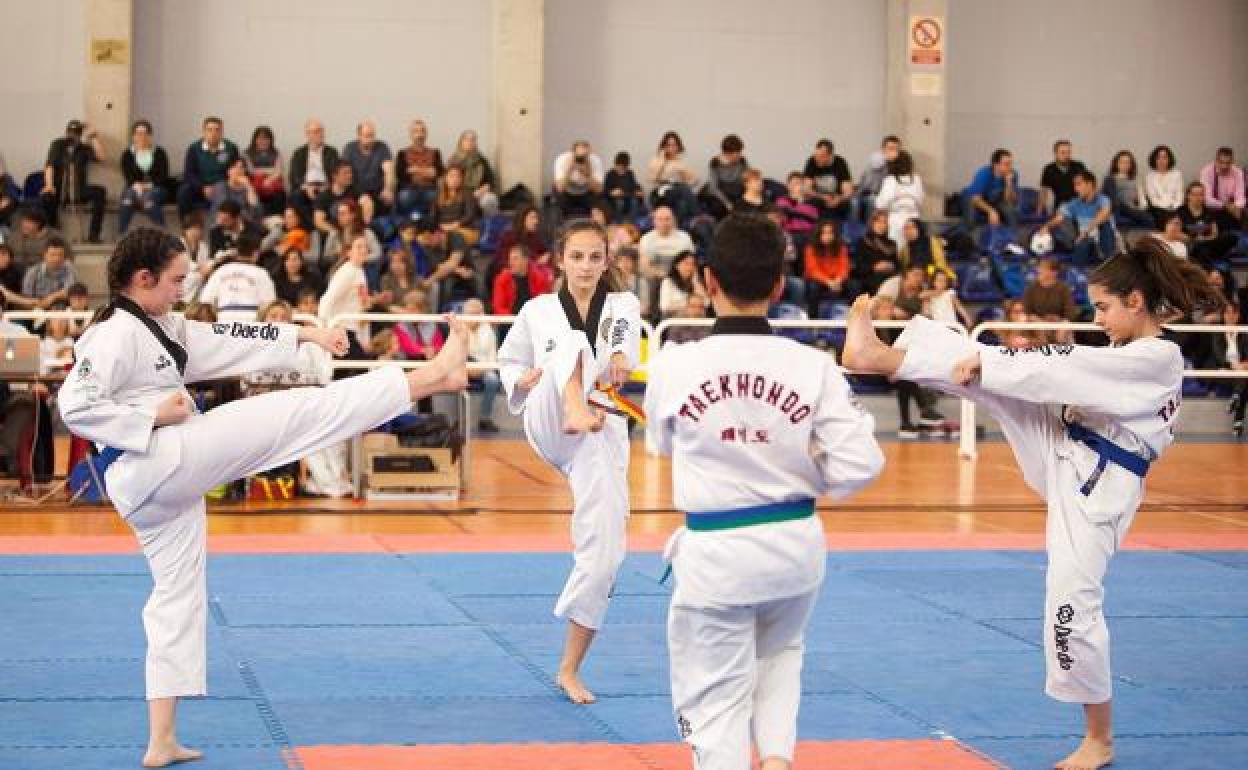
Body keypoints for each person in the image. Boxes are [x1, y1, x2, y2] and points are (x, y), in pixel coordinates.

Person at [57, 227, 470, 768]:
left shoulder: (164, 325)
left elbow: (232, 337)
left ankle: (161, 739)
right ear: (143, 278)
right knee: (297, 414)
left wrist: (306, 336)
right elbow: (75, 406)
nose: (185, 288)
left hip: (156, 484)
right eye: (177, 279)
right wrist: (151, 415)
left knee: (178, 598)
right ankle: (434, 374)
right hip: (153, 461)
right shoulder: (114, 332)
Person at [841, 238, 1221, 770]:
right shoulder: (1125, 354)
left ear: (1135, 301)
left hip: (1097, 489)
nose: (1097, 317)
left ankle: (1099, 739)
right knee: (993, 381)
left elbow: (1063, 367)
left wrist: (991, 363)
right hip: (1069, 447)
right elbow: (1061, 372)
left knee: (1070, 606)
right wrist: (990, 368)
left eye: (1104, 307)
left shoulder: (1158, 358)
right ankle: (879, 357)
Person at [645, 213, 883, 770]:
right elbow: (863, 462)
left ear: (708, 281)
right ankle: (776, 760)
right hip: (795, 544)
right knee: (780, 658)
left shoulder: (676, 366)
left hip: (716, 554)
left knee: (718, 697)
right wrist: (803, 474)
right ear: (780, 285)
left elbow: (660, 445)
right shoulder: (812, 366)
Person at [497, 219, 641, 705]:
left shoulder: (622, 304)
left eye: (594, 257)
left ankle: (569, 668)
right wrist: (523, 380)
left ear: (606, 261)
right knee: (573, 345)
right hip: (550, 417)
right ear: (560, 259)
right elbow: (509, 362)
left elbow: (622, 338)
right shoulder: (537, 310)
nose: (585, 267)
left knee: (606, 552)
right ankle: (574, 400)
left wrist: (621, 357)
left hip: (599, 430)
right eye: (576, 257)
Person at [41, 119, 107, 242]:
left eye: (76, 133)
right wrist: (49, 185)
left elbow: (102, 157)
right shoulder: (57, 144)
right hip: (60, 188)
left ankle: (94, 234)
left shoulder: (84, 148)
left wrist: (93, 136)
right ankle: (53, 227)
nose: (72, 136)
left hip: (78, 189)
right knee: (46, 197)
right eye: (70, 132)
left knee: (100, 192)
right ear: (66, 132)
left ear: (80, 135)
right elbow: (49, 166)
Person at [1036, 171, 1117, 266]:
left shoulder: (1103, 199)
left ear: (1090, 184)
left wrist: (1086, 232)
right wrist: (1046, 227)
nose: (1075, 189)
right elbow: (1059, 218)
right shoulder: (1075, 203)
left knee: (1105, 226)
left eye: (1078, 184)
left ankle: (1109, 263)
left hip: (1103, 240)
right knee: (1082, 242)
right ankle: (1077, 272)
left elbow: (1103, 215)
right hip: (1086, 241)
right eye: (1074, 185)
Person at [198, 233, 276, 322]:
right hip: (252, 326)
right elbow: (270, 306)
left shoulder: (220, 271)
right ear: (256, 253)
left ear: (236, 251)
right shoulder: (261, 274)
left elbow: (205, 302)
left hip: (223, 323)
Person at [177, 117, 239, 218]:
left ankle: (217, 227)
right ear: (203, 132)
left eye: (217, 130)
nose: (213, 133)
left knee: (221, 190)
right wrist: (202, 187)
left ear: (222, 132)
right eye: (209, 130)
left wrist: (221, 185)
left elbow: (235, 171)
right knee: (183, 192)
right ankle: (187, 227)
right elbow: (189, 174)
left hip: (222, 186)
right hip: (200, 187)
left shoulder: (231, 148)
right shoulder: (194, 148)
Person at [119, 120, 171, 234]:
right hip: (134, 187)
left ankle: (164, 235)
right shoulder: (127, 154)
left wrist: (147, 186)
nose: (141, 137)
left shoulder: (159, 152)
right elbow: (128, 176)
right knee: (127, 200)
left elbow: (163, 176)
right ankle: (121, 236)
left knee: (148, 201)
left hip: (156, 188)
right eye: (138, 133)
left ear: (150, 136)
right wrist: (137, 186)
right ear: (133, 136)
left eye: (145, 133)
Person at [461, 297, 502, 433]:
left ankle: (485, 418)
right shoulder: (458, 328)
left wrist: (483, 369)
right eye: (470, 314)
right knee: (457, 380)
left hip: (484, 368)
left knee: (493, 380)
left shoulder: (488, 329)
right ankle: (460, 420)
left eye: (476, 314)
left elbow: (493, 357)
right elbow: (456, 355)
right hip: (463, 367)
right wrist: (469, 369)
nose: (473, 317)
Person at [289, 119, 340, 225]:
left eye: (321, 131)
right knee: (295, 197)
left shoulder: (332, 152)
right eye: (316, 131)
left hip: (326, 186)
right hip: (305, 187)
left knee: (327, 197)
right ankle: (313, 226)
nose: (320, 134)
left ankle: (316, 226)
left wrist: (326, 186)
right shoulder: (299, 153)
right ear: (308, 134)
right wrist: (306, 187)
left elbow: (336, 174)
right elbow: (294, 176)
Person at [341, 120, 395, 217]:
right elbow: (345, 175)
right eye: (367, 136)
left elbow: (389, 171)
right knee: (365, 203)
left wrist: (388, 188)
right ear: (359, 136)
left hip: (377, 190)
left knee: (390, 199)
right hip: (355, 190)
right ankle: (366, 230)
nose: (370, 139)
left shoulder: (382, 147)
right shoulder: (349, 148)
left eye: (372, 135)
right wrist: (361, 194)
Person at [1178, 182, 1238, 265]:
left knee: (1232, 237)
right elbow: (1177, 233)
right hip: (1190, 245)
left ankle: (1207, 255)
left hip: (1207, 243)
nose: (1198, 197)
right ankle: (1207, 259)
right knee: (1200, 249)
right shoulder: (1180, 212)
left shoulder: (1208, 212)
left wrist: (1204, 239)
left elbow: (1215, 233)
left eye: (1201, 195)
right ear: (1188, 196)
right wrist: (1193, 240)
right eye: (1194, 194)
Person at [647, 131, 699, 224]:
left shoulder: (680, 162)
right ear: (664, 146)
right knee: (682, 188)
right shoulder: (657, 160)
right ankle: (697, 216)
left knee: (682, 204)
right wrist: (663, 161)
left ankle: (678, 229)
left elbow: (694, 180)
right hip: (660, 193)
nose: (672, 148)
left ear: (678, 146)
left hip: (677, 191)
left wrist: (685, 175)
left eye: (674, 145)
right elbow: (652, 179)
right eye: (668, 145)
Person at [395, 119, 443, 218]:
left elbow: (439, 172)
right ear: (411, 135)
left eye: (422, 131)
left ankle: (424, 222)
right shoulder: (402, 153)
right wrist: (427, 171)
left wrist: (415, 170)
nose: (419, 135)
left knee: (433, 196)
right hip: (409, 189)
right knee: (405, 197)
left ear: (426, 134)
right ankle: (412, 223)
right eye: (416, 131)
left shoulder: (435, 153)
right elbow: (400, 174)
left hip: (430, 189)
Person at [962, 148, 1020, 231]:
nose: (1010, 167)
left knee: (1010, 211)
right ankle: (970, 237)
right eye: (1006, 164)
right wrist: (991, 211)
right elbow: (975, 198)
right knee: (970, 209)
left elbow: (1010, 201)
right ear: (996, 165)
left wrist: (1008, 185)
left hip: (993, 200)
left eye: (1011, 164)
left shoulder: (1013, 174)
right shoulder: (984, 173)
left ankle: (1011, 239)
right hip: (974, 199)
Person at [874, 151, 924, 245]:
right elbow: (920, 202)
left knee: (897, 249)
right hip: (913, 220)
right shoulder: (917, 179)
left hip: (895, 220)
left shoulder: (890, 180)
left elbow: (880, 204)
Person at [447, 129, 499, 218]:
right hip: (459, 192)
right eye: (467, 139)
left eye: (473, 140)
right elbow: (448, 181)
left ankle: (489, 226)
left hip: (477, 192)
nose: (470, 142)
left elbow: (490, 180)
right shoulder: (453, 160)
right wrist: (466, 193)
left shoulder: (481, 160)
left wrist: (484, 188)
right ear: (461, 142)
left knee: (490, 199)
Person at [804, 220, 852, 314]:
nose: (827, 236)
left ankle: (852, 317)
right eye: (824, 233)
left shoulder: (841, 248)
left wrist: (839, 279)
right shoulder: (811, 248)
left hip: (837, 279)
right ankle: (813, 320)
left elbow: (845, 267)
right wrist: (828, 282)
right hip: (819, 280)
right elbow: (812, 270)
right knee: (814, 287)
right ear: (819, 234)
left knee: (854, 285)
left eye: (830, 233)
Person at [638, 206, 696, 282]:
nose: (664, 223)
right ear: (654, 221)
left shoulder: (684, 237)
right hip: (656, 279)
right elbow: (644, 266)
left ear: (673, 220)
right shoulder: (647, 238)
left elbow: (691, 262)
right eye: (660, 219)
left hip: (681, 278)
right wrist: (665, 277)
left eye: (667, 219)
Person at [18, 237, 78, 310]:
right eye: (53, 255)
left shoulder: (69, 268)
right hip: (37, 310)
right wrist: (40, 305)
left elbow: (70, 291)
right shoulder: (32, 272)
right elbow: (26, 299)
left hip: (63, 311)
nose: (57, 259)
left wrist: (52, 297)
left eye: (60, 255)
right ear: (45, 255)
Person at [803, 138, 855, 221]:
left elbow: (848, 191)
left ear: (830, 155)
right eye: (816, 155)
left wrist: (839, 199)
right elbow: (806, 189)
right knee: (811, 203)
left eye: (821, 157)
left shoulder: (840, 162)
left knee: (848, 204)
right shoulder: (811, 161)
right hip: (818, 197)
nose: (817, 159)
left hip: (836, 198)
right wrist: (822, 196)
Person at [493, 244, 553, 315]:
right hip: (509, 319)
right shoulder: (502, 279)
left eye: (515, 259)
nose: (511, 263)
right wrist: (516, 318)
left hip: (533, 319)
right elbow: (498, 307)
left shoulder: (539, 278)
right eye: (510, 259)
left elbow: (543, 306)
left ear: (525, 260)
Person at [699, 134, 749, 220]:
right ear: (727, 153)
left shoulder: (742, 161)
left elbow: (746, 180)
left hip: (736, 192)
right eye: (737, 153)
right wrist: (727, 203)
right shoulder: (715, 163)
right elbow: (713, 188)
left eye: (740, 152)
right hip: (721, 194)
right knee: (717, 206)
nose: (739, 155)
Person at [553, 140, 604, 219]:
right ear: (572, 153)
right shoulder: (562, 159)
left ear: (589, 154)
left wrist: (588, 174)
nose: (581, 160)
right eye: (579, 157)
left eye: (584, 156)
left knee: (599, 207)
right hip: (567, 191)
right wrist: (569, 170)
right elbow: (560, 188)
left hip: (586, 191)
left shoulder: (595, 160)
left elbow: (598, 190)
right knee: (559, 201)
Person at [852, 210, 899, 296]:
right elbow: (858, 267)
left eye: (884, 222)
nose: (881, 225)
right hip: (870, 277)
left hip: (889, 276)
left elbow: (897, 265)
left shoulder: (892, 243)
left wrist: (891, 265)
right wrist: (874, 267)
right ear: (872, 223)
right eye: (878, 221)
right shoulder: (863, 242)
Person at [856, 135, 902, 220]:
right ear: (883, 149)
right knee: (872, 200)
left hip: (885, 196)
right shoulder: (876, 157)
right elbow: (876, 164)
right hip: (867, 193)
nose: (894, 152)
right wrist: (887, 157)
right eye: (891, 148)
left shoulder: (899, 164)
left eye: (896, 149)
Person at [1101, 151, 1151, 230]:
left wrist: (1142, 208)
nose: (1124, 165)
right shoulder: (1110, 179)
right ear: (1116, 163)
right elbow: (1107, 199)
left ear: (1131, 165)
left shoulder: (1135, 179)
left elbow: (1141, 198)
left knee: (1148, 219)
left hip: (1133, 210)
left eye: (1127, 162)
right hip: (1119, 210)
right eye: (1122, 162)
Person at [1199, 147, 1245, 232]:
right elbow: (1207, 199)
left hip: (1232, 209)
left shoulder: (1238, 172)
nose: (1224, 166)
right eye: (1221, 162)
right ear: (1216, 160)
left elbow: (1240, 195)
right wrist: (1225, 205)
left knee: (1240, 219)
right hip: (1212, 209)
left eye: (1228, 163)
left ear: (1232, 162)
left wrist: (1237, 207)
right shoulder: (1207, 171)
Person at [244, 126, 285, 216]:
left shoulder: (276, 153)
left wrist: (269, 179)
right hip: (254, 183)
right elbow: (251, 171)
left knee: (280, 195)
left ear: (271, 140)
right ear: (255, 139)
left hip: (272, 183)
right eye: (260, 138)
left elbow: (278, 171)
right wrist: (269, 171)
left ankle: (276, 219)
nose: (263, 141)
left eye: (266, 138)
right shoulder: (247, 153)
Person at [1040, 140, 1088, 215]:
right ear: (1055, 153)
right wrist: (1039, 211)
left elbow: (1088, 186)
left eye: (1069, 152)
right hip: (1060, 207)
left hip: (1080, 205)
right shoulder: (1049, 169)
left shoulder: (1079, 166)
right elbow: (1043, 191)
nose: (1066, 155)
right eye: (1063, 153)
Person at [1143, 145, 1183, 229]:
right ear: (1154, 160)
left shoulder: (1176, 174)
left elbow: (1179, 195)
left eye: (1164, 157)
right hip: (1157, 209)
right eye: (1158, 158)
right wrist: (1166, 207)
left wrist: (1174, 207)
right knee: (1163, 216)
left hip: (1175, 208)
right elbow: (1153, 198)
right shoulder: (1149, 177)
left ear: (1169, 159)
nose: (1161, 160)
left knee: (1176, 216)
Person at [776, 173, 818, 252]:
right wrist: (798, 204)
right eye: (794, 183)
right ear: (788, 185)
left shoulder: (812, 201)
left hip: (809, 234)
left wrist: (800, 201)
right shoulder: (782, 201)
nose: (797, 186)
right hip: (791, 234)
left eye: (799, 183)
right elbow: (785, 216)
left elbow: (813, 219)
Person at [658, 251, 706, 320]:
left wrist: (695, 279)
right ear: (677, 265)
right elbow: (664, 306)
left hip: (696, 320)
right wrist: (688, 306)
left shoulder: (696, 282)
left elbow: (707, 302)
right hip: (675, 320)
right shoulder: (668, 282)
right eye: (686, 263)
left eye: (692, 264)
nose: (689, 267)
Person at [604, 151, 644, 223]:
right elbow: (605, 191)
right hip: (615, 200)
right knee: (619, 203)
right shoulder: (610, 174)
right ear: (615, 164)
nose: (621, 170)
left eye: (624, 168)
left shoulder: (629, 173)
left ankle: (631, 223)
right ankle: (620, 223)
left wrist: (639, 190)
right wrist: (612, 192)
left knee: (634, 202)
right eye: (619, 167)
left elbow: (634, 185)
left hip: (628, 197)